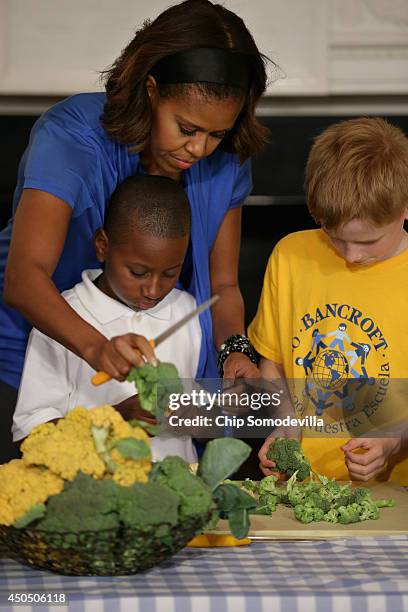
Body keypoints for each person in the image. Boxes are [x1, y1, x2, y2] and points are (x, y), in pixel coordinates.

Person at [0, 0, 268, 462]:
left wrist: (234, 353)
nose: (200, 149)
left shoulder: (227, 162)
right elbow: (25, 278)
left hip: (151, 390)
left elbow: (222, 284)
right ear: (150, 91)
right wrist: (99, 349)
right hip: (34, 364)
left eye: (217, 134)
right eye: (187, 128)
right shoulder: (72, 138)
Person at [249, 117, 408, 484]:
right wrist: (285, 424)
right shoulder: (291, 256)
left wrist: (392, 441)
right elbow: (272, 365)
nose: (351, 255)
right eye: (334, 237)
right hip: (304, 487)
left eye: (369, 242)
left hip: (396, 498)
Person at [12, 174, 201, 463]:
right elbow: (29, 438)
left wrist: (199, 410)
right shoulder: (62, 317)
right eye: (138, 273)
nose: (153, 290)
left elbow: (218, 417)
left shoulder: (189, 311)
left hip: (176, 496)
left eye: (170, 273)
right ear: (102, 246)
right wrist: (116, 418)